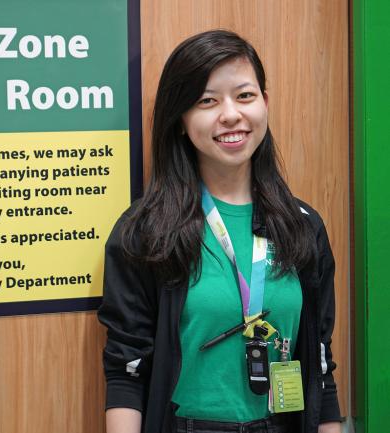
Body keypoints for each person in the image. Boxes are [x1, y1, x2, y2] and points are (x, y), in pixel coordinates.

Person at [98, 30, 341, 433]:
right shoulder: (146, 231)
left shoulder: (303, 225)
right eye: (207, 101)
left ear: (265, 103)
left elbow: (320, 364)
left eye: (245, 96)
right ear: (180, 120)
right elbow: (127, 371)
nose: (230, 114)